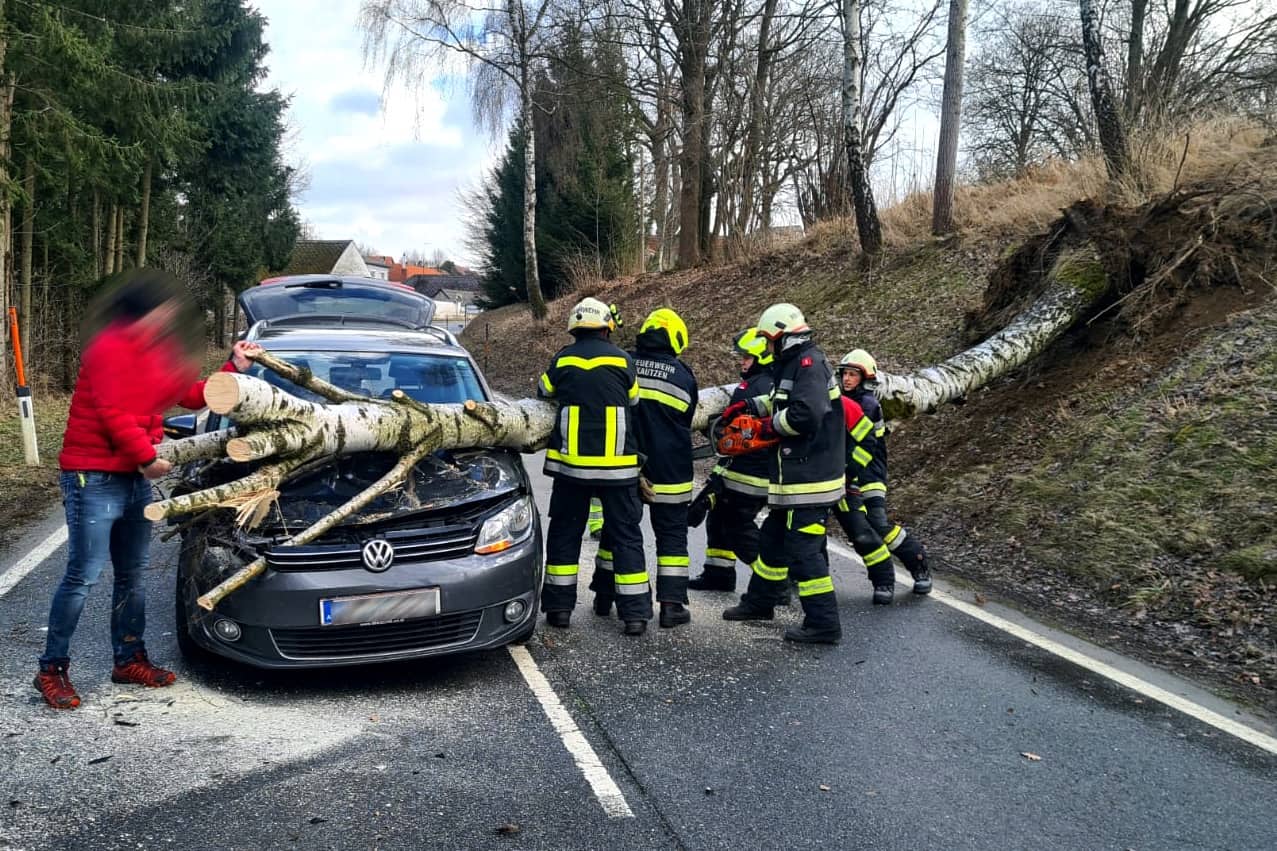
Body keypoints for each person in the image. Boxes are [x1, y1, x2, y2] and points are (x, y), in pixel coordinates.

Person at [34, 270, 263, 710]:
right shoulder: (108, 348)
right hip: (92, 477)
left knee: (133, 574)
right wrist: (146, 457)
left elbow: (189, 395)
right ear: (142, 313)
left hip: (132, 480)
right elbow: (113, 412)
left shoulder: (155, 353)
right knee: (83, 575)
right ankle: (51, 669)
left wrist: (233, 367)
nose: (169, 320)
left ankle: (128, 660)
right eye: (164, 312)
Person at [722, 304, 846, 644]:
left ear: (783, 337)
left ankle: (824, 624)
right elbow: (782, 400)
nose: (766, 346)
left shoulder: (810, 364)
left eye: (768, 339)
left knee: (804, 552)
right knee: (773, 539)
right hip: (795, 478)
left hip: (811, 479)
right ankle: (760, 602)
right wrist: (749, 406)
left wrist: (764, 428)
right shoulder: (792, 364)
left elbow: (806, 414)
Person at [537, 297, 651, 636]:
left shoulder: (563, 358)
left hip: (572, 470)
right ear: (606, 328)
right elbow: (634, 400)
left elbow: (543, 391)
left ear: (574, 328)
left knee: (565, 534)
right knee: (626, 537)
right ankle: (635, 615)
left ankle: (559, 610)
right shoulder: (623, 359)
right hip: (618, 470)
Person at [595, 308, 698, 629]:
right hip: (672, 470)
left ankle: (604, 596)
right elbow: (688, 416)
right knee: (672, 538)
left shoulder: (625, 363)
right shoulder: (683, 375)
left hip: (628, 465)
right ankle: (671, 607)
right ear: (676, 340)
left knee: (618, 531)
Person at [836, 349, 932, 603]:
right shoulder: (837, 400)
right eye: (845, 374)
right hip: (845, 471)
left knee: (878, 523)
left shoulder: (867, 405)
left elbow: (865, 447)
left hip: (869, 472)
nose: (847, 379)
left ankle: (918, 563)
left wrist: (849, 473)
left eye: (853, 375)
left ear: (865, 378)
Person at [688, 328, 774, 593]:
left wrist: (714, 433)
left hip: (748, 473)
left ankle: (772, 583)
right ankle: (719, 574)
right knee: (718, 519)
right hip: (752, 470)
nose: (742, 362)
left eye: (747, 357)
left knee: (737, 525)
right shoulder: (773, 384)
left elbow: (732, 435)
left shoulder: (751, 388)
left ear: (761, 357)